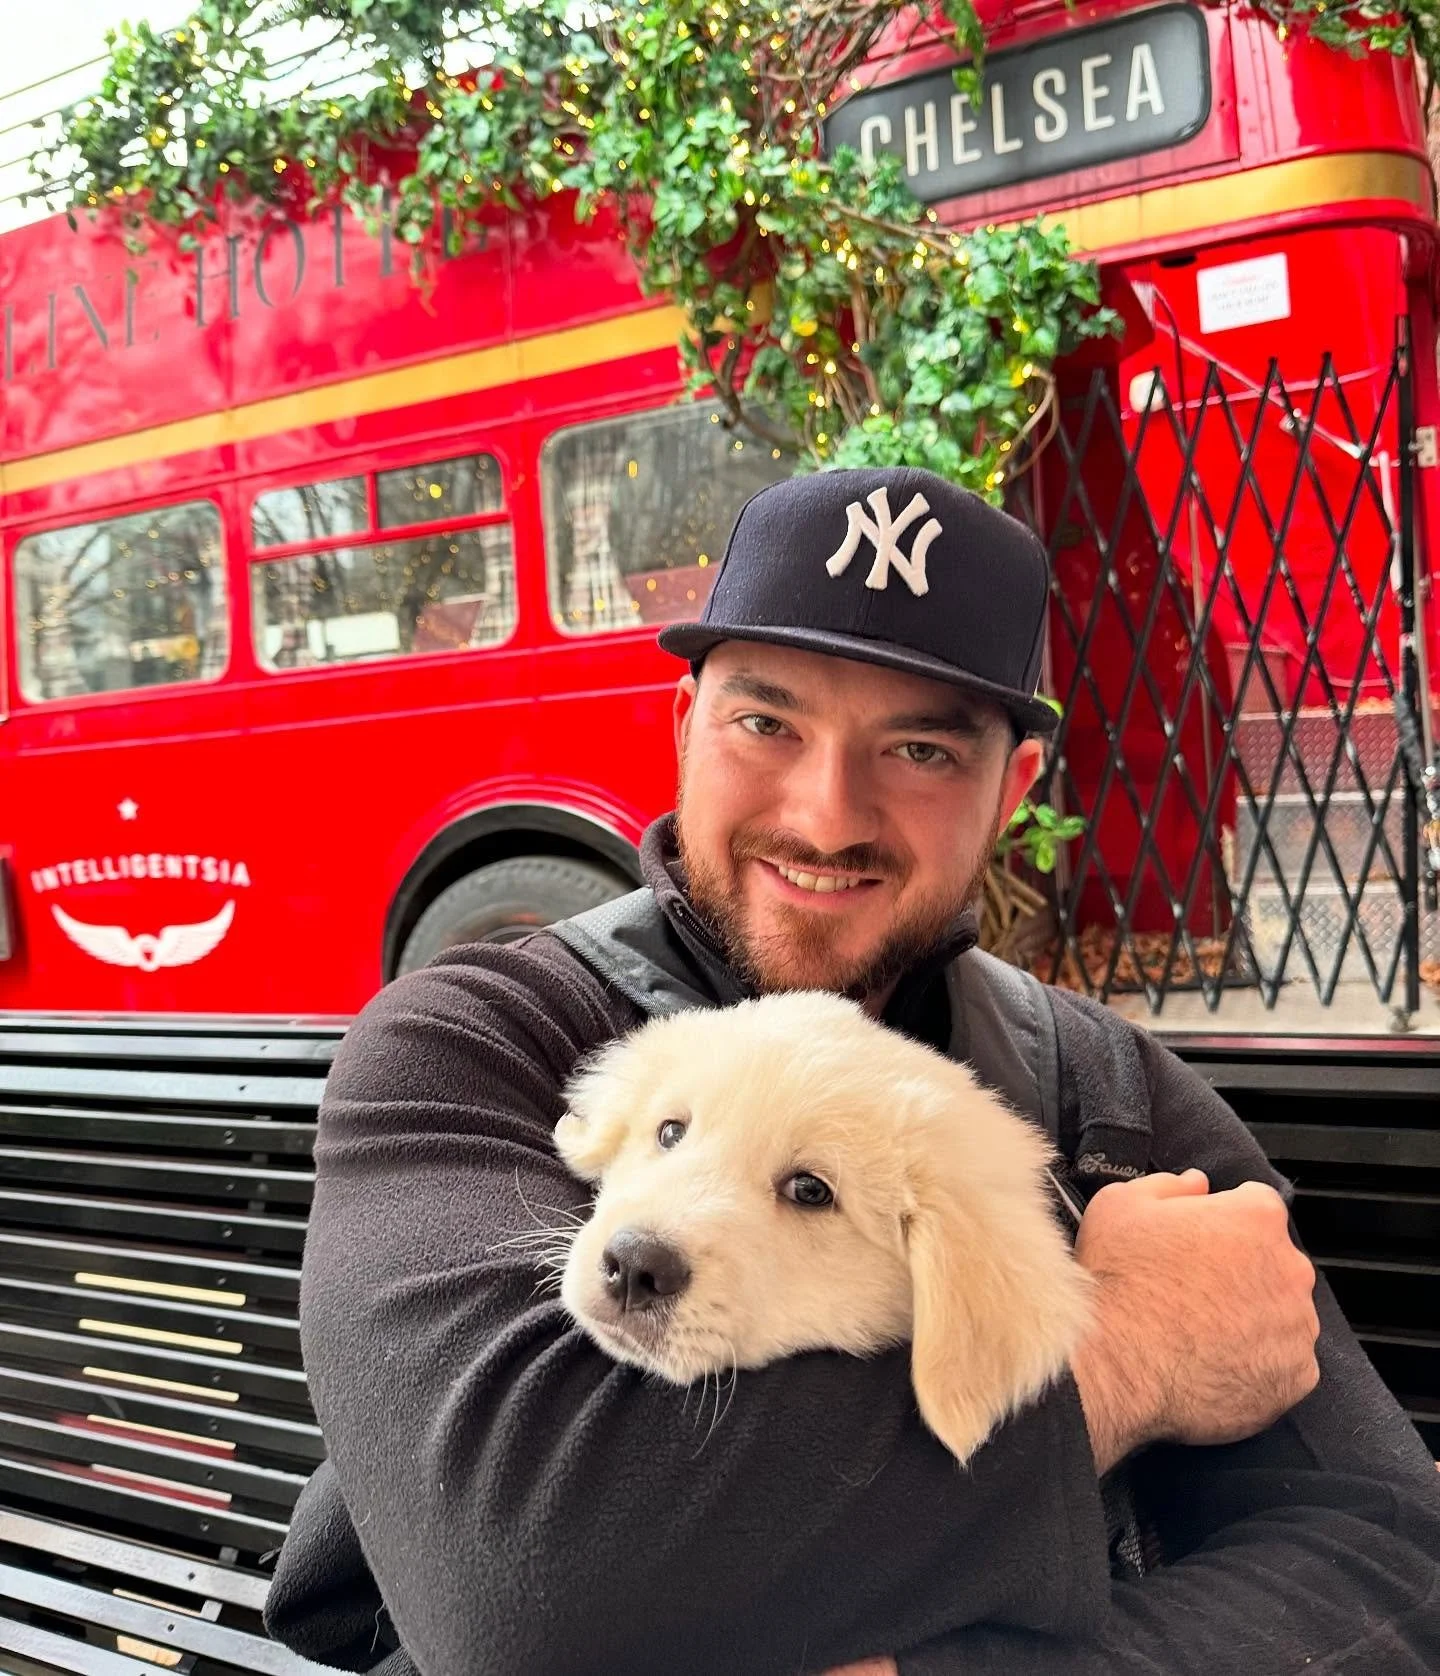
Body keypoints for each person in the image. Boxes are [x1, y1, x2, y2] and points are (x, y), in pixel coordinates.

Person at [266, 467, 1440, 1676]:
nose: (829, 816)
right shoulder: (476, 1044)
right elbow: (522, 1586)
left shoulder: (1111, 1103)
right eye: (767, 723)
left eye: (920, 747)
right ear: (686, 727)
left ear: (1011, 791)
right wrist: (1124, 1351)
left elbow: (1392, 1560)